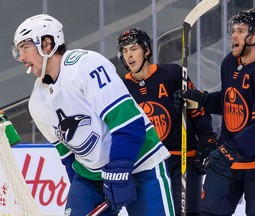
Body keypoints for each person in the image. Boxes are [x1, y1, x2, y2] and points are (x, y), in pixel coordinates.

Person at [12, 14, 175, 216]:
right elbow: (67, 155)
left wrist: (119, 171)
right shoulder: (37, 102)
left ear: (47, 44)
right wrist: (80, 192)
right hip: (91, 176)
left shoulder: (86, 65)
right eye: (18, 50)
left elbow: (128, 124)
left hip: (142, 163)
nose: (21, 57)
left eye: (25, 47)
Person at [174, 10, 255, 216]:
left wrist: (228, 152)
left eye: (241, 31)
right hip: (230, 160)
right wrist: (203, 101)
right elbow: (231, 101)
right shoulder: (229, 63)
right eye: (233, 30)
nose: (234, 35)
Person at [117, 28, 218, 216]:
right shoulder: (120, 87)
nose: (129, 56)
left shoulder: (172, 74)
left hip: (183, 157)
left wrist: (206, 137)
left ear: (146, 51)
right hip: (148, 164)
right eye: (124, 51)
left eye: (133, 49)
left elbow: (197, 108)